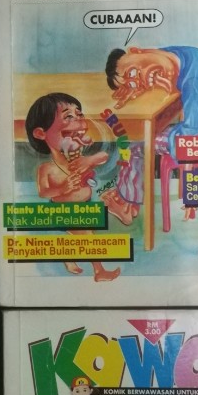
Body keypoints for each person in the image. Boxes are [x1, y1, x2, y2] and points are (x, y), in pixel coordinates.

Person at [102, 45, 198, 224]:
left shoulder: (194, 81)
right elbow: (155, 68)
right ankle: (127, 196)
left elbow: (190, 142)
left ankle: (127, 204)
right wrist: (138, 85)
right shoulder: (179, 56)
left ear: (137, 50)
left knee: (136, 144)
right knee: (146, 133)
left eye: (132, 72)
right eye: (131, 82)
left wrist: (191, 191)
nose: (140, 80)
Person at [26, 92, 120, 282]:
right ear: (41, 133)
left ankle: (68, 256)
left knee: (84, 235)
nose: (77, 119)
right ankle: (99, 272)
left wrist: (90, 160)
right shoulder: (47, 169)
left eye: (79, 114)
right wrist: (62, 189)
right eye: (68, 116)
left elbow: (103, 156)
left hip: (86, 206)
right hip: (64, 211)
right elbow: (43, 192)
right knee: (87, 237)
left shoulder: (80, 160)